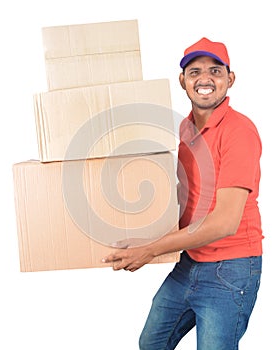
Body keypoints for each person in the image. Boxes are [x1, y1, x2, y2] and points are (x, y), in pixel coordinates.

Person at [102, 37, 263, 350]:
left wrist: (151, 249)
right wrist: (142, 235)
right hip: (189, 261)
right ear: (183, 81)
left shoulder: (239, 131)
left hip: (231, 268)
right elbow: (185, 198)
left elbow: (224, 222)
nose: (205, 78)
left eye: (215, 71)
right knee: (152, 343)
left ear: (230, 79)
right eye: (195, 72)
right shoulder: (186, 128)